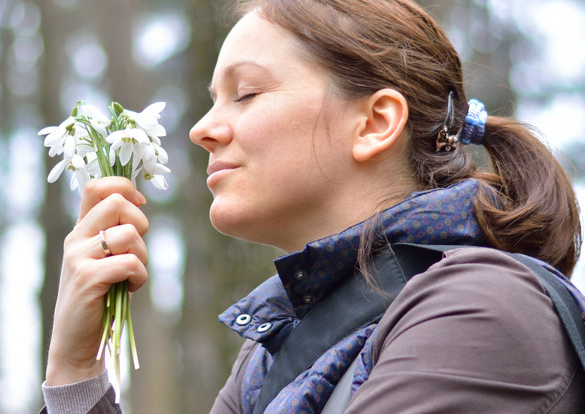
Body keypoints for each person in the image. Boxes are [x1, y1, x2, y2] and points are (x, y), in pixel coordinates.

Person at [41, 0, 585, 412]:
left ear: (375, 123)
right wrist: (77, 370)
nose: (202, 130)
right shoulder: (266, 359)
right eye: (212, 100)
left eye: (247, 93)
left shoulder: (482, 309)